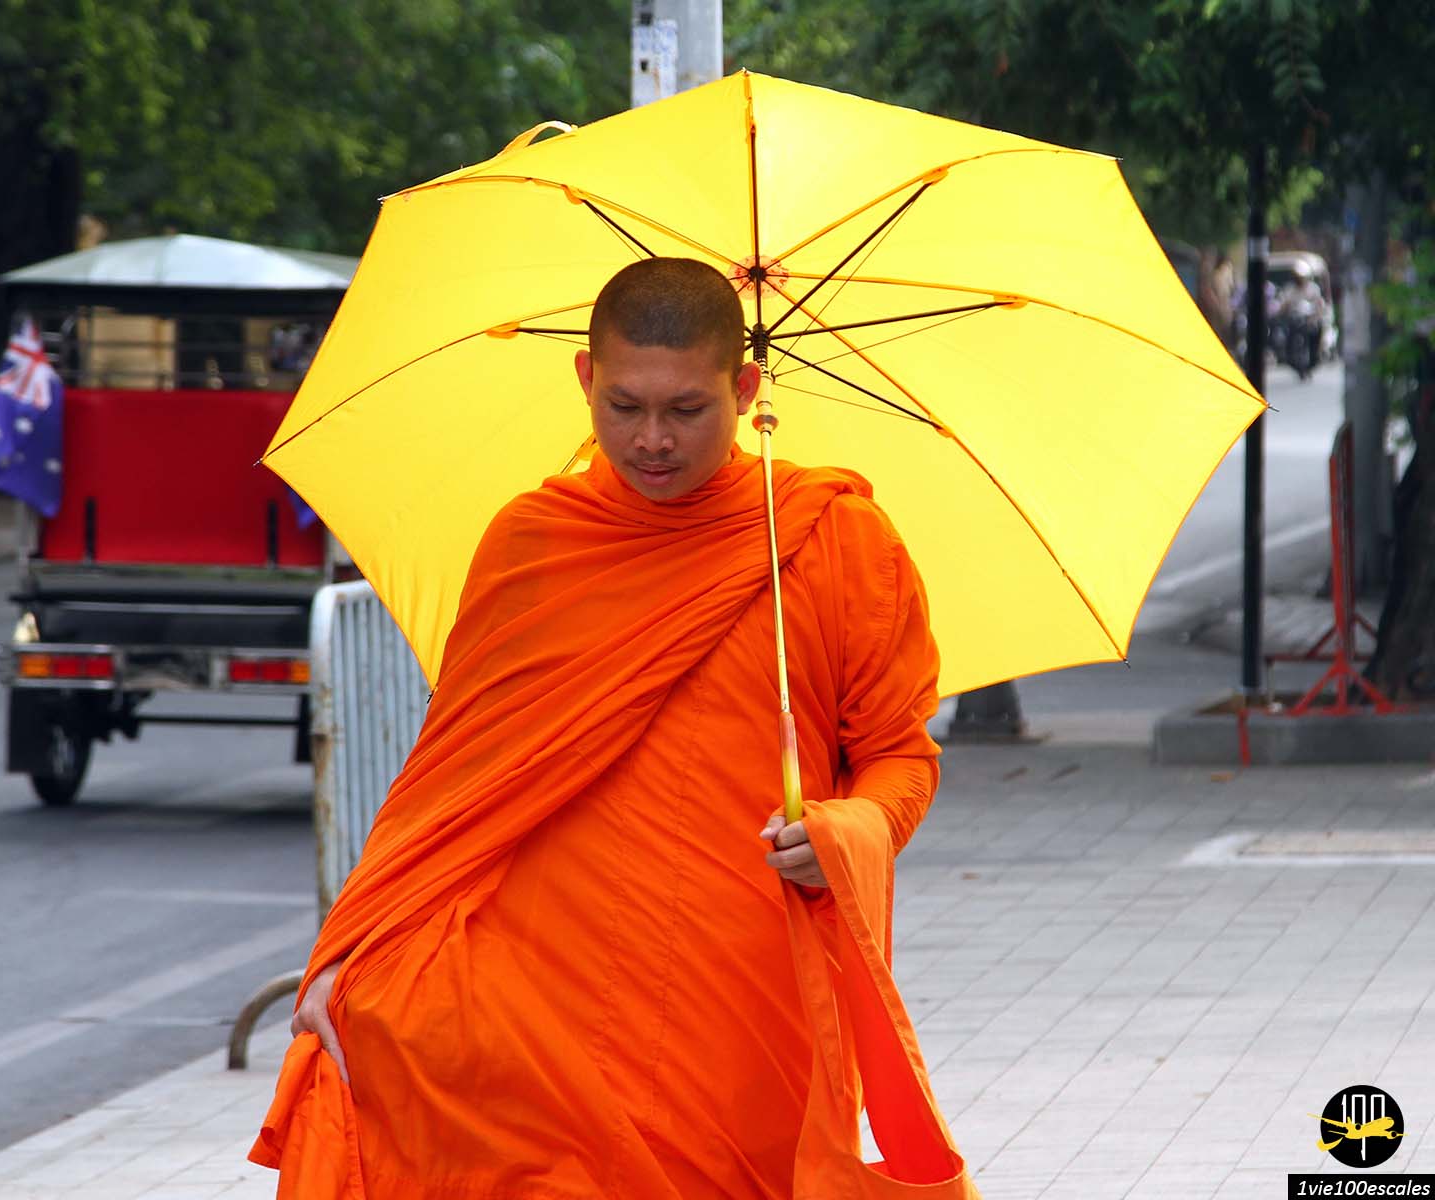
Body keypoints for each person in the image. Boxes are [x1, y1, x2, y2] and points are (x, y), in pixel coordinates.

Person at [251, 258, 976, 1199]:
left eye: (687, 410)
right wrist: (351, 944)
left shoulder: (829, 540)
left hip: (737, 996)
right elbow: (451, 776)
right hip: (536, 993)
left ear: (745, 388)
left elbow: (899, 758)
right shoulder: (532, 544)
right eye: (624, 406)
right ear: (586, 378)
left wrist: (852, 828)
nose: (652, 440)